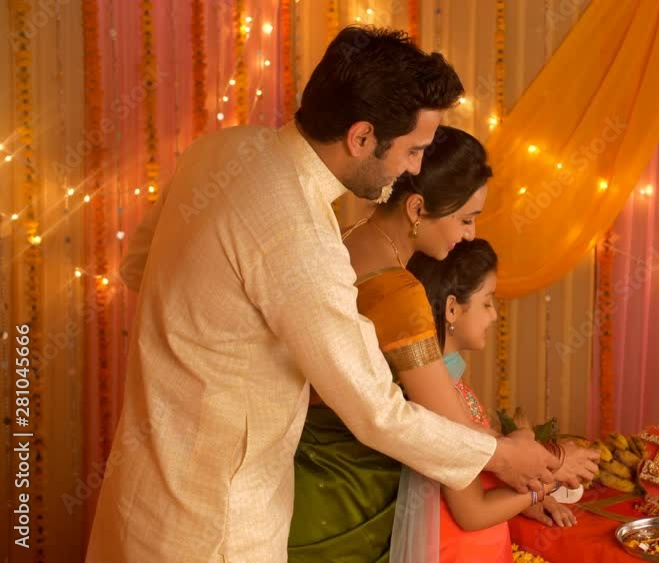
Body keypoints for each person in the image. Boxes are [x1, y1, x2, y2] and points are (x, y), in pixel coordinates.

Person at [88, 27, 558, 562]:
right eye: (413, 150)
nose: (414, 170)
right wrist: (497, 455)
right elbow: (376, 413)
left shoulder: (221, 150)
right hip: (219, 521)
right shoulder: (302, 236)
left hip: (140, 489)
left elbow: (137, 267)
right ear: (361, 138)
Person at [288, 127, 596, 562]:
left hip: (304, 468)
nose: (470, 234)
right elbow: (452, 431)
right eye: (465, 219)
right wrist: (554, 463)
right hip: (349, 491)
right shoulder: (397, 291)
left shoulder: (345, 241)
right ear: (417, 209)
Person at [406, 238, 580, 563]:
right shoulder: (439, 395)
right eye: (487, 302)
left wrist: (527, 498)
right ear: (453, 308)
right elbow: (472, 512)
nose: (495, 315)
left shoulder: (451, 384)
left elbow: (481, 469)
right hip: (457, 550)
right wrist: (550, 477)